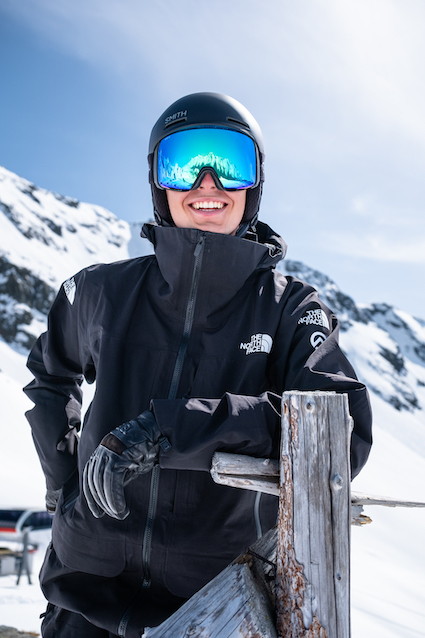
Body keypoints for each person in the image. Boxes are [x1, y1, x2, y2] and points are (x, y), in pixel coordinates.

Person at [24, 92, 372, 638]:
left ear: (254, 183)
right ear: (159, 181)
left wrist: (167, 429)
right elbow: (50, 377)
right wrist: (63, 487)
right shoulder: (101, 290)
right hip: (83, 596)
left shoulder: (288, 308)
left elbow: (340, 427)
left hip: (217, 604)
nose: (206, 183)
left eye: (230, 163)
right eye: (183, 162)